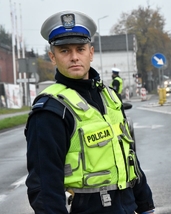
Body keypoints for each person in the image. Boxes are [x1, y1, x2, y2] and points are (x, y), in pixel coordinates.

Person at [24, 10, 155, 214]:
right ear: (52, 56)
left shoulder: (110, 98)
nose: (74, 57)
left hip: (127, 208)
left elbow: (128, 157)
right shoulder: (51, 110)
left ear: (91, 53)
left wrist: (146, 204)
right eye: (64, 51)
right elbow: (44, 185)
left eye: (80, 49)